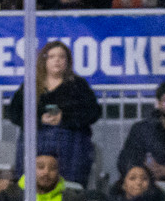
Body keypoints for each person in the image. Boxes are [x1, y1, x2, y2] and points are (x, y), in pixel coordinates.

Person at [6, 40, 102, 188]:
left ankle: (70, 190)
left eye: (61, 57)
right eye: (52, 57)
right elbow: (14, 113)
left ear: (67, 61)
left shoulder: (78, 85)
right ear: (44, 61)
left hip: (70, 140)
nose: (57, 60)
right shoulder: (31, 85)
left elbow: (93, 112)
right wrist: (39, 119)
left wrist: (64, 119)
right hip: (37, 137)